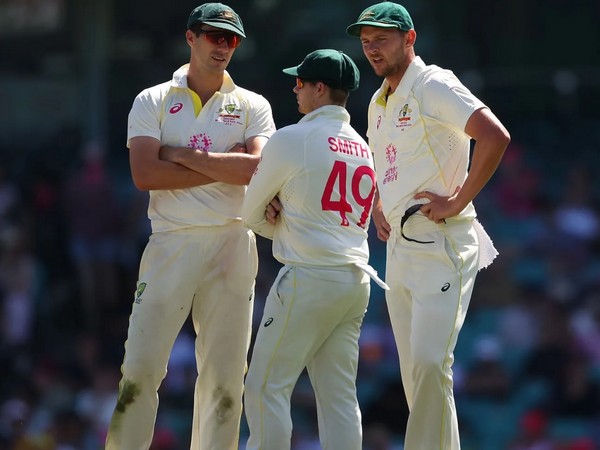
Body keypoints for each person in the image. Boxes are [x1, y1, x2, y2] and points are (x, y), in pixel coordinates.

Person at [105, 3, 275, 450]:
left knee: (224, 380)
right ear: (191, 37)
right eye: (213, 36)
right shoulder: (153, 99)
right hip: (171, 241)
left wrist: (181, 155)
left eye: (231, 39)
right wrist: (228, 166)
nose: (222, 46)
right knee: (139, 371)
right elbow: (145, 175)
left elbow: (261, 170)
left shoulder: (252, 104)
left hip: (234, 240)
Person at [346, 3, 511, 449]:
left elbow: (494, 136)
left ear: (409, 38)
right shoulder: (379, 101)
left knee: (429, 363)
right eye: (365, 42)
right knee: (419, 379)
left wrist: (458, 200)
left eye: (381, 39)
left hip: (442, 241)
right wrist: (380, 201)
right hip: (400, 247)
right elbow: (388, 164)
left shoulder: (434, 83)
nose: (372, 49)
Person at [241, 49, 388, 450]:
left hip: (308, 277)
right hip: (355, 281)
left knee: (264, 386)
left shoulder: (292, 138)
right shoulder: (363, 146)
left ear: (319, 88)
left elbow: (251, 214)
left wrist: (282, 218)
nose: (296, 88)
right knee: (338, 398)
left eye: (301, 82)